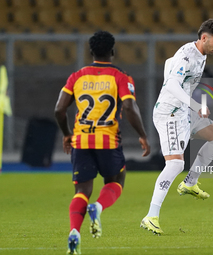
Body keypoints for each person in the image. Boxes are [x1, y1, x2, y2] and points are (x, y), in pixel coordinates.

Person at [55, 31, 150, 254]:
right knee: (117, 178)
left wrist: (67, 133)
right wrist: (143, 135)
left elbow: (59, 109)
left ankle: (74, 233)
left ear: (91, 52)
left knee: (82, 190)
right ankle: (97, 207)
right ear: (113, 51)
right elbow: (129, 107)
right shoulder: (120, 76)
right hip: (108, 140)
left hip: (81, 140)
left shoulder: (77, 76)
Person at [141, 18, 213, 235]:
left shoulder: (200, 55)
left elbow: (168, 64)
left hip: (184, 112)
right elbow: (172, 83)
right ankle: (150, 216)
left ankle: (190, 183)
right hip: (170, 114)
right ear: (204, 37)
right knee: (175, 165)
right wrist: (195, 104)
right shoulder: (187, 55)